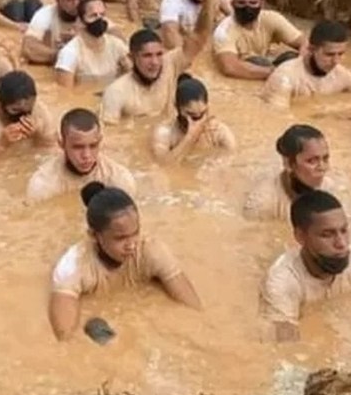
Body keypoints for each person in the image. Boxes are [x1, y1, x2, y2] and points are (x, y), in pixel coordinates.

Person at [48, 182, 202, 340]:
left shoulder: (152, 250)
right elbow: (65, 337)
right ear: (94, 236)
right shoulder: (72, 266)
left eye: (135, 233)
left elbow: (194, 310)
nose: (131, 245)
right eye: (121, 238)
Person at [261, 190, 351, 342]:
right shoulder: (281, 284)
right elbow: (282, 347)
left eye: (344, 231)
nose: (341, 244)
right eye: (327, 234)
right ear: (300, 236)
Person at [99, 0, 218, 124]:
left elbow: (199, 36)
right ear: (131, 58)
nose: (155, 62)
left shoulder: (170, 65)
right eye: (147, 56)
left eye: (159, 54)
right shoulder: (116, 93)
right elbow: (110, 134)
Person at [27, 108, 137, 203]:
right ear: (62, 144)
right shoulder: (43, 185)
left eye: (93, 146)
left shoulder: (120, 180)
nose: (86, 155)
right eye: (78, 147)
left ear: (100, 141)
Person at [260, 21, 351, 109]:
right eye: (329, 54)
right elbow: (278, 117)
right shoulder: (285, 77)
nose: (336, 61)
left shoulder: (343, 75)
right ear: (311, 49)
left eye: (341, 54)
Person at [213, 0, 307, 80]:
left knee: (293, 58)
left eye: (253, 3)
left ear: (262, 4)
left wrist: (300, 65)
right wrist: (276, 73)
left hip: (269, 64)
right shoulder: (224, 30)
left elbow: (304, 43)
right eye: (241, 3)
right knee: (259, 61)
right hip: (250, 65)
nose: (247, 7)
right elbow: (229, 67)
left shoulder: (272, 18)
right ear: (232, 4)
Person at [244, 125, 335, 221]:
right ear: (288, 164)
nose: (323, 167)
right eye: (312, 161)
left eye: (325, 159)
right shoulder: (262, 204)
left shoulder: (328, 188)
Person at [151, 75, 236, 163]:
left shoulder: (218, 132)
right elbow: (163, 166)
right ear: (177, 107)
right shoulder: (165, 133)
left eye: (202, 114)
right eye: (192, 116)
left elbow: (233, 160)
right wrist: (190, 136)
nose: (199, 121)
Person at [54, 0, 129, 87]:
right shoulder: (69, 52)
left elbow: (133, 78)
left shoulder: (117, 45)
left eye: (102, 15)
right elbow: (65, 91)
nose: (99, 19)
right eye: (93, 15)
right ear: (81, 21)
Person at [21, 0, 87, 65]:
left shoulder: (92, 13)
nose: (76, 3)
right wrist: (63, 55)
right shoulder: (44, 14)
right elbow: (28, 48)